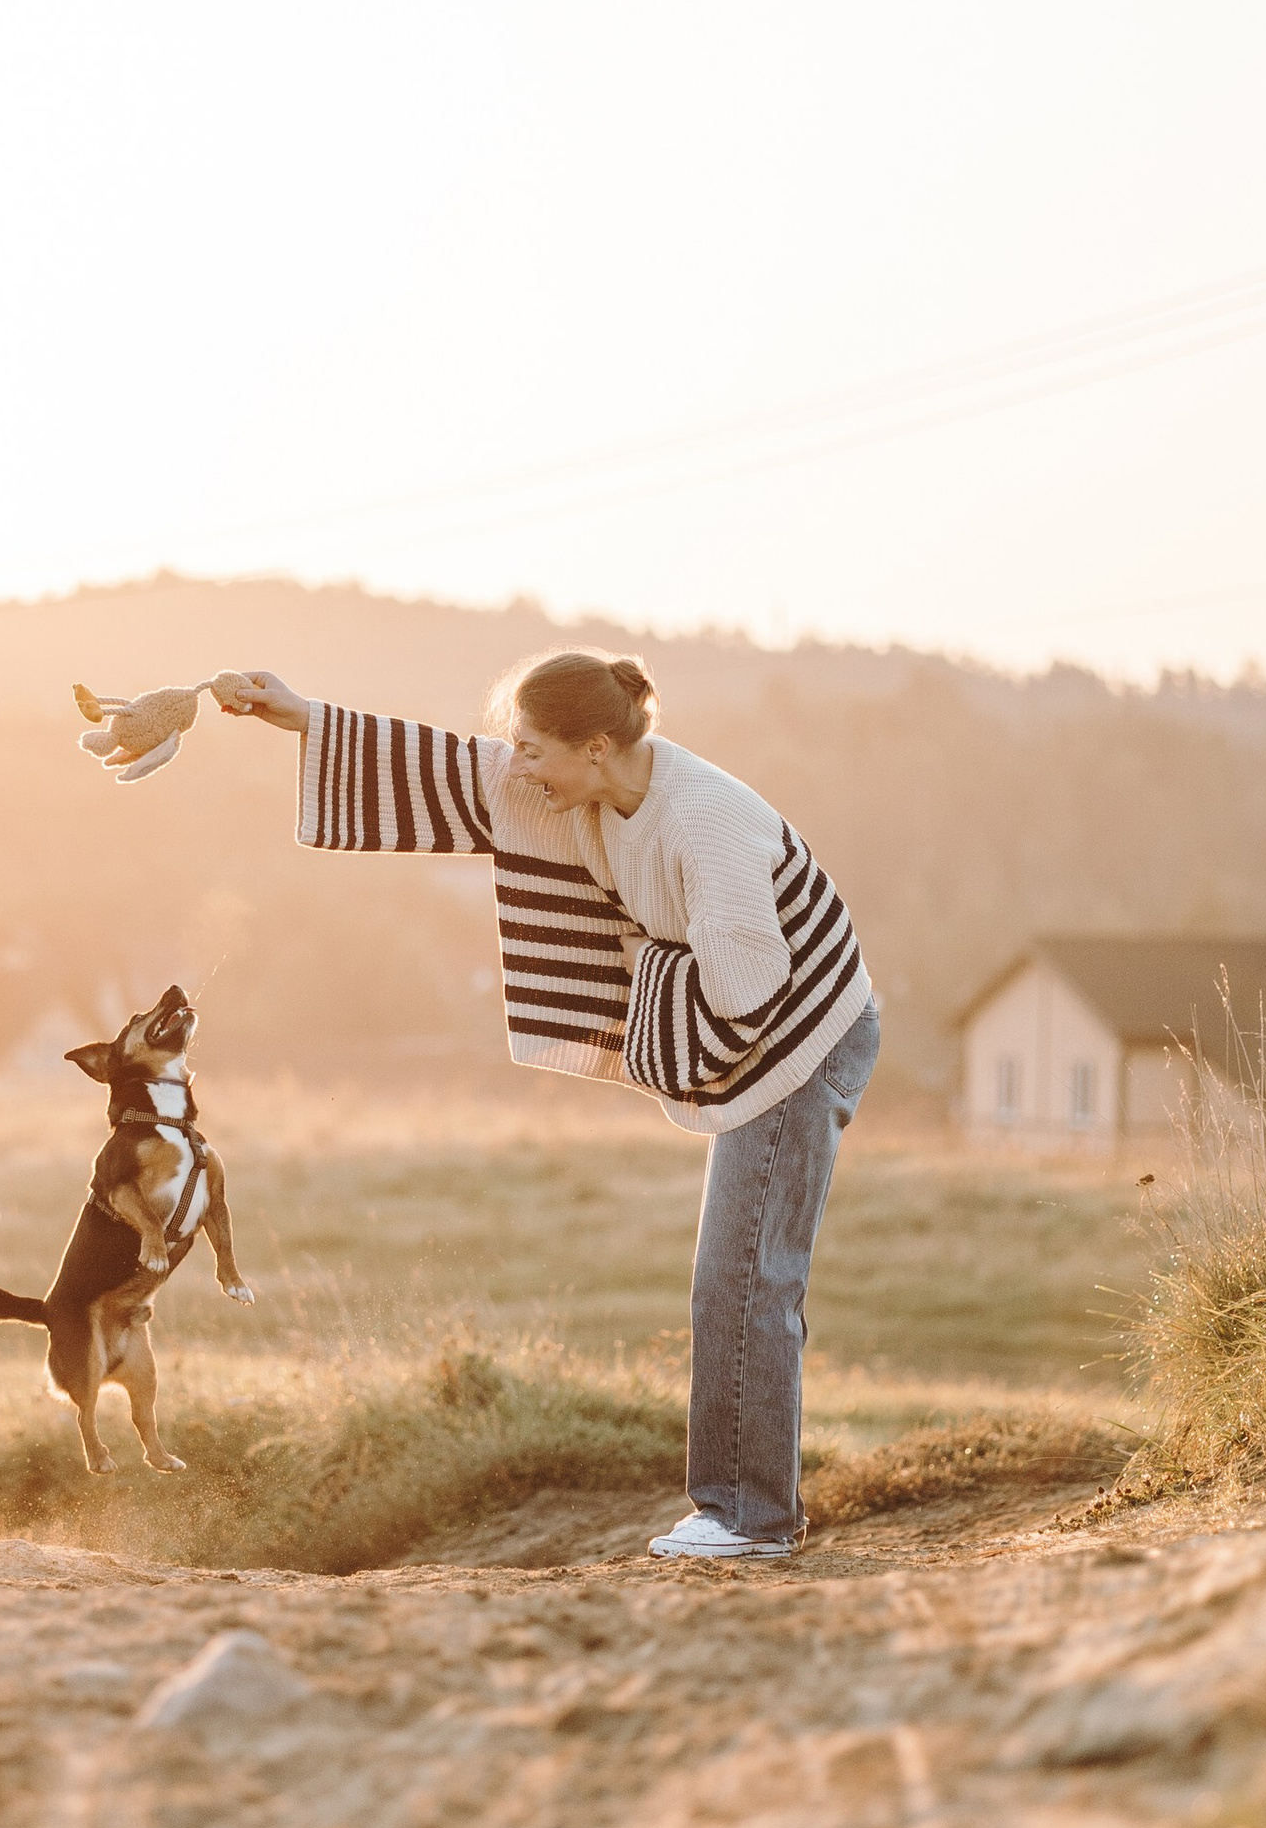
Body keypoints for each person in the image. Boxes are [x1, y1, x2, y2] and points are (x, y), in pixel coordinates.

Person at [218, 648, 878, 1560]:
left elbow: (750, 989)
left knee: (750, 1277)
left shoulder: (707, 823)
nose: (518, 769)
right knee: (730, 1278)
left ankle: (753, 1519)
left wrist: (656, 982)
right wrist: (304, 715)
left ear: (595, 746)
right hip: (758, 1024)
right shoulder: (593, 788)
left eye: (532, 750)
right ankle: (735, 1510)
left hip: (803, 1036)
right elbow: (452, 772)